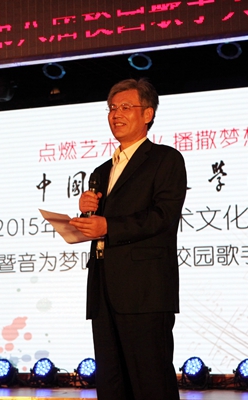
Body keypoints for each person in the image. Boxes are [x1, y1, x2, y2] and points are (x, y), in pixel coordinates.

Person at [69, 78, 187, 400]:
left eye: (125, 107)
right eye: (111, 108)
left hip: (145, 291)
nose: (116, 114)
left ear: (147, 114)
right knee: (111, 384)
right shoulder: (100, 171)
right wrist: (86, 213)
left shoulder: (165, 159)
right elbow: (99, 226)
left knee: (151, 383)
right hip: (103, 290)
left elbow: (163, 217)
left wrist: (107, 226)